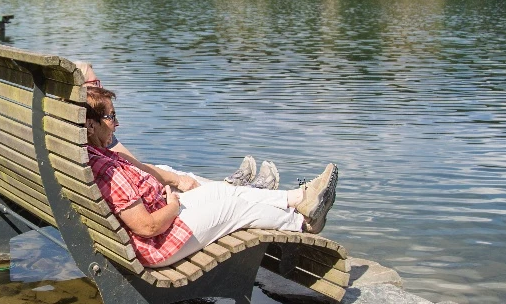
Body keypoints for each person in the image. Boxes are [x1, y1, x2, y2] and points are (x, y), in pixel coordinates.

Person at [86, 87, 337, 268]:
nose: (117, 123)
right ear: (90, 125)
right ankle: (301, 223)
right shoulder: (108, 172)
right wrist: (173, 207)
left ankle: (298, 197)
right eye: (110, 117)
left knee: (223, 191)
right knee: (234, 207)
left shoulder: (93, 155)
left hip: (158, 217)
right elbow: (147, 227)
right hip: (159, 242)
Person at [74, 62, 278, 192]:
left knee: (168, 172)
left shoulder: (71, 127)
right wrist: (177, 181)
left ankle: (229, 186)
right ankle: (244, 192)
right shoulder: (93, 128)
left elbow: (132, 163)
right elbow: (137, 167)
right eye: (94, 85)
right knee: (174, 176)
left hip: (118, 191)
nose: (100, 89)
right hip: (143, 199)